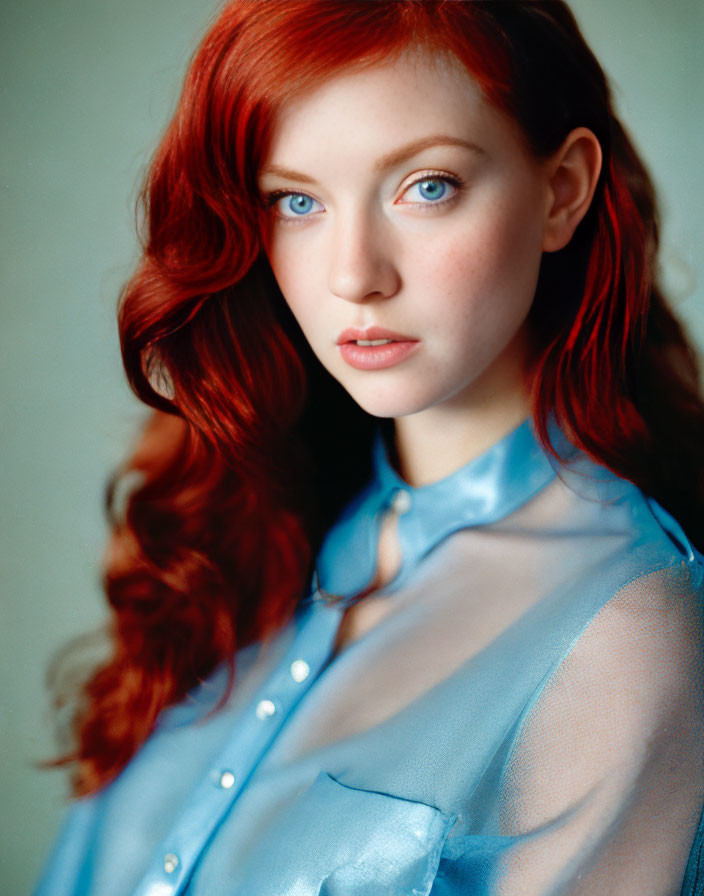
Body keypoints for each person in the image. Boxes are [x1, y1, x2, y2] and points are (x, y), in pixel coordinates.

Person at [35, 1, 704, 893]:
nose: (354, 274)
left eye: (427, 185)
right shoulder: (246, 532)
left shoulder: (624, 636)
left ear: (564, 190)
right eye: (296, 201)